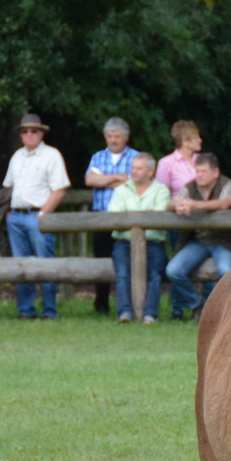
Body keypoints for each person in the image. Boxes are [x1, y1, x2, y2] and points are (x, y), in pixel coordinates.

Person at [2, 112, 70, 319]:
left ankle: (49, 310)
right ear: (20, 134)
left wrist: (42, 214)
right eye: (25, 131)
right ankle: (25, 310)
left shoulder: (52, 155)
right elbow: (8, 186)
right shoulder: (17, 156)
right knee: (21, 264)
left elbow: (59, 190)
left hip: (38, 216)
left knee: (45, 263)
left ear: (41, 133)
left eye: (34, 131)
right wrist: (9, 212)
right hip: (16, 217)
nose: (29, 134)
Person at [164, 152, 231, 319]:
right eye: (197, 171)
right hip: (198, 241)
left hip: (224, 242)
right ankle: (197, 305)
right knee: (173, 270)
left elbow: (225, 203)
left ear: (216, 173)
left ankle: (223, 311)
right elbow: (170, 204)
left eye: (204, 171)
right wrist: (178, 206)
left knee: (226, 271)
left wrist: (195, 205)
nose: (200, 175)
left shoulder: (227, 184)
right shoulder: (190, 187)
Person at [85, 117, 138, 316]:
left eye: (117, 136)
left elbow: (136, 181)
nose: (113, 140)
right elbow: (90, 180)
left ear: (126, 137)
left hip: (127, 218)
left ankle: (129, 303)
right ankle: (101, 304)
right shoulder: (98, 156)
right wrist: (119, 177)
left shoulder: (136, 157)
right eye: (109, 136)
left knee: (129, 260)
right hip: (101, 217)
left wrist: (104, 179)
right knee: (101, 259)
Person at [108, 153, 170, 323]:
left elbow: (159, 216)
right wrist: (144, 217)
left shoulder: (161, 190)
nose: (134, 171)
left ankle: (150, 314)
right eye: (133, 168)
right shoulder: (121, 190)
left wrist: (131, 217)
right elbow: (114, 216)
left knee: (155, 275)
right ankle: (124, 312)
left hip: (153, 242)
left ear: (150, 172)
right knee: (122, 274)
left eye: (139, 168)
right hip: (124, 241)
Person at [156, 120, 202, 199]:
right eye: (196, 138)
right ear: (185, 142)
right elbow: (160, 195)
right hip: (179, 205)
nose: (200, 140)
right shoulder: (166, 163)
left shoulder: (202, 159)